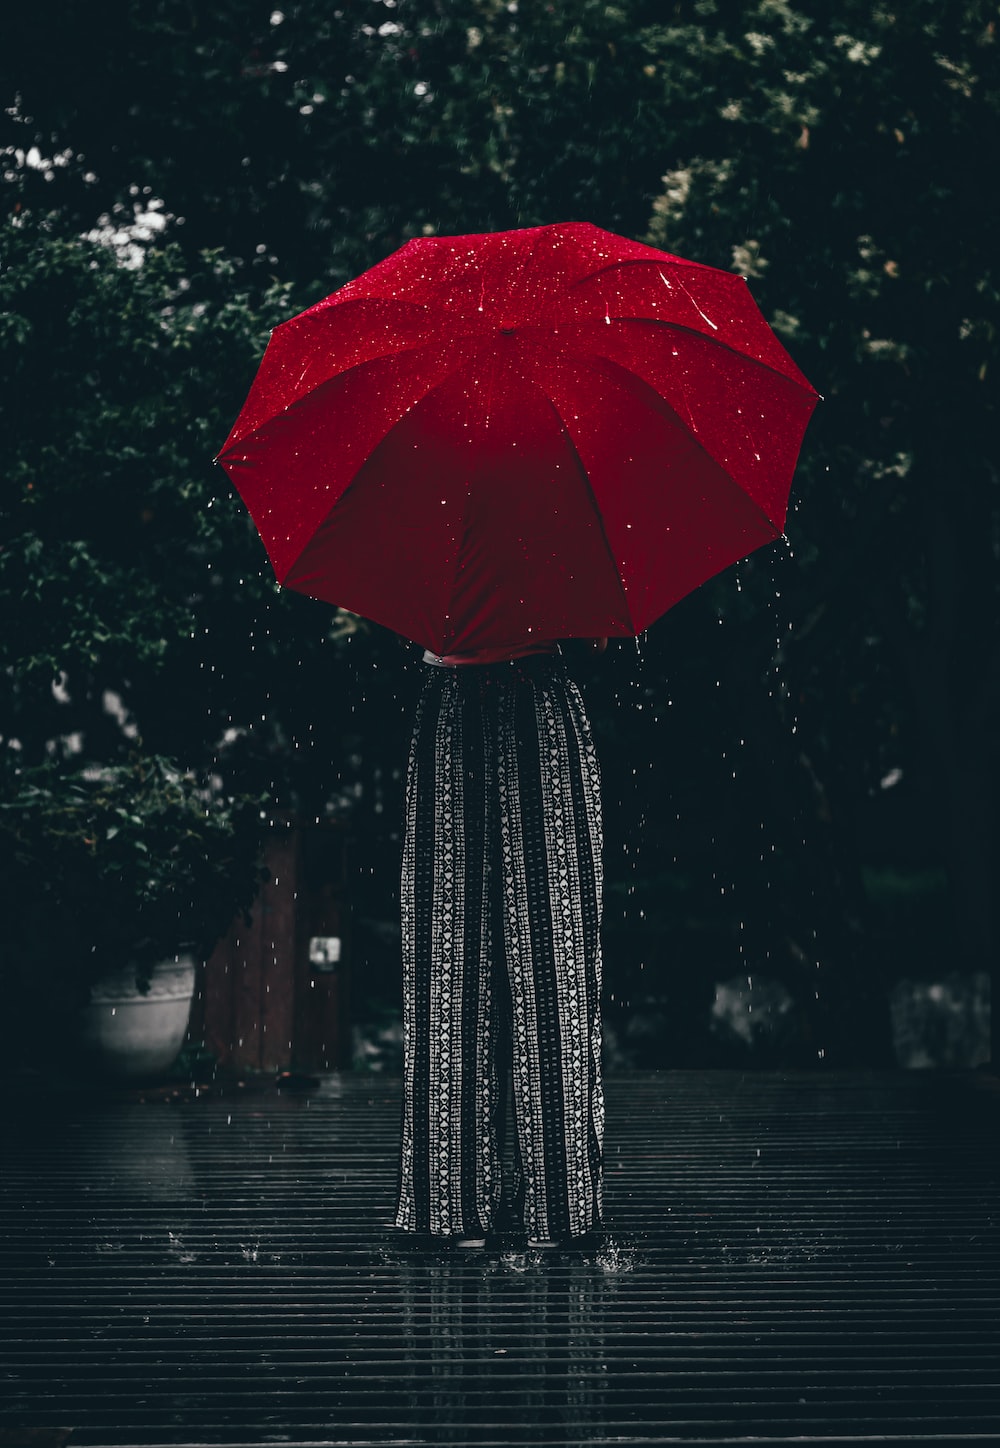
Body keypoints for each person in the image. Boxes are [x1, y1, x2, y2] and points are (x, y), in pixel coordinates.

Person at [394, 635, 606, 1248]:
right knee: (536, 966)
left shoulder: (431, 539)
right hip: (506, 701)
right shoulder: (565, 543)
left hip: (485, 700)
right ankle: (546, 1207)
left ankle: (459, 1205)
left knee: (472, 966)